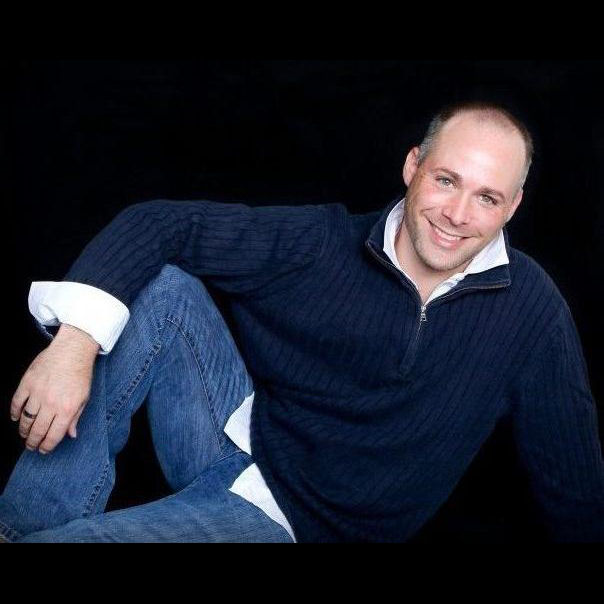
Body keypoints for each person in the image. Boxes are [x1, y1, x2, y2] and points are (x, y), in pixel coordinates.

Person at [1, 101, 603, 542]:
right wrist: (72, 347)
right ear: (413, 166)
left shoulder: (532, 311)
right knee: (160, 287)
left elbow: (570, 473)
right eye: (446, 181)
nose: (457, 214)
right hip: (239, 440)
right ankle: (21, 526)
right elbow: (160, 222)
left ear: (512, 206)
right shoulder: (323, 244)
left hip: (292, 522)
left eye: (487, 198)